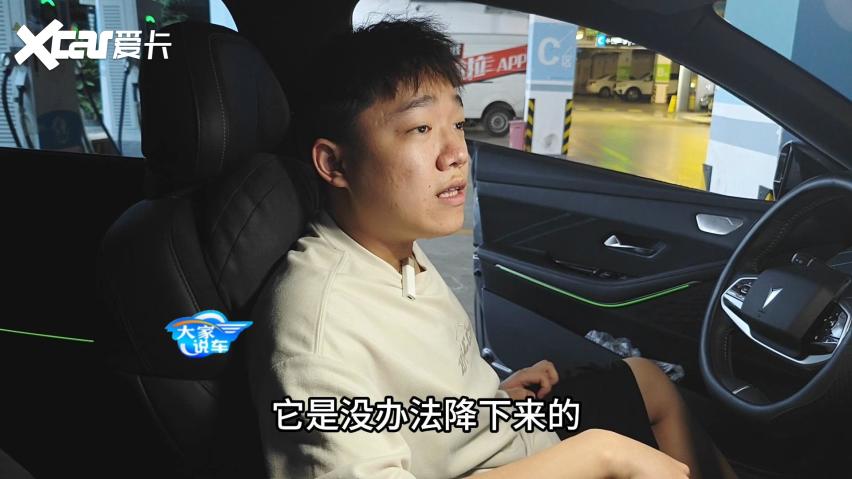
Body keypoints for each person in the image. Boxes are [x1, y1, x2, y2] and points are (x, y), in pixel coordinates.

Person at [248, 17, 737, 479]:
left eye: (458, 125)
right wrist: (601, 454)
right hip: (502, 460)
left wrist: (490, 402)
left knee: (646, 380)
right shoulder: (319, 327)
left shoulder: (391, 247)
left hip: (502, 430)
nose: (456, 154)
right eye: (421, 129)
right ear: (334, 164)